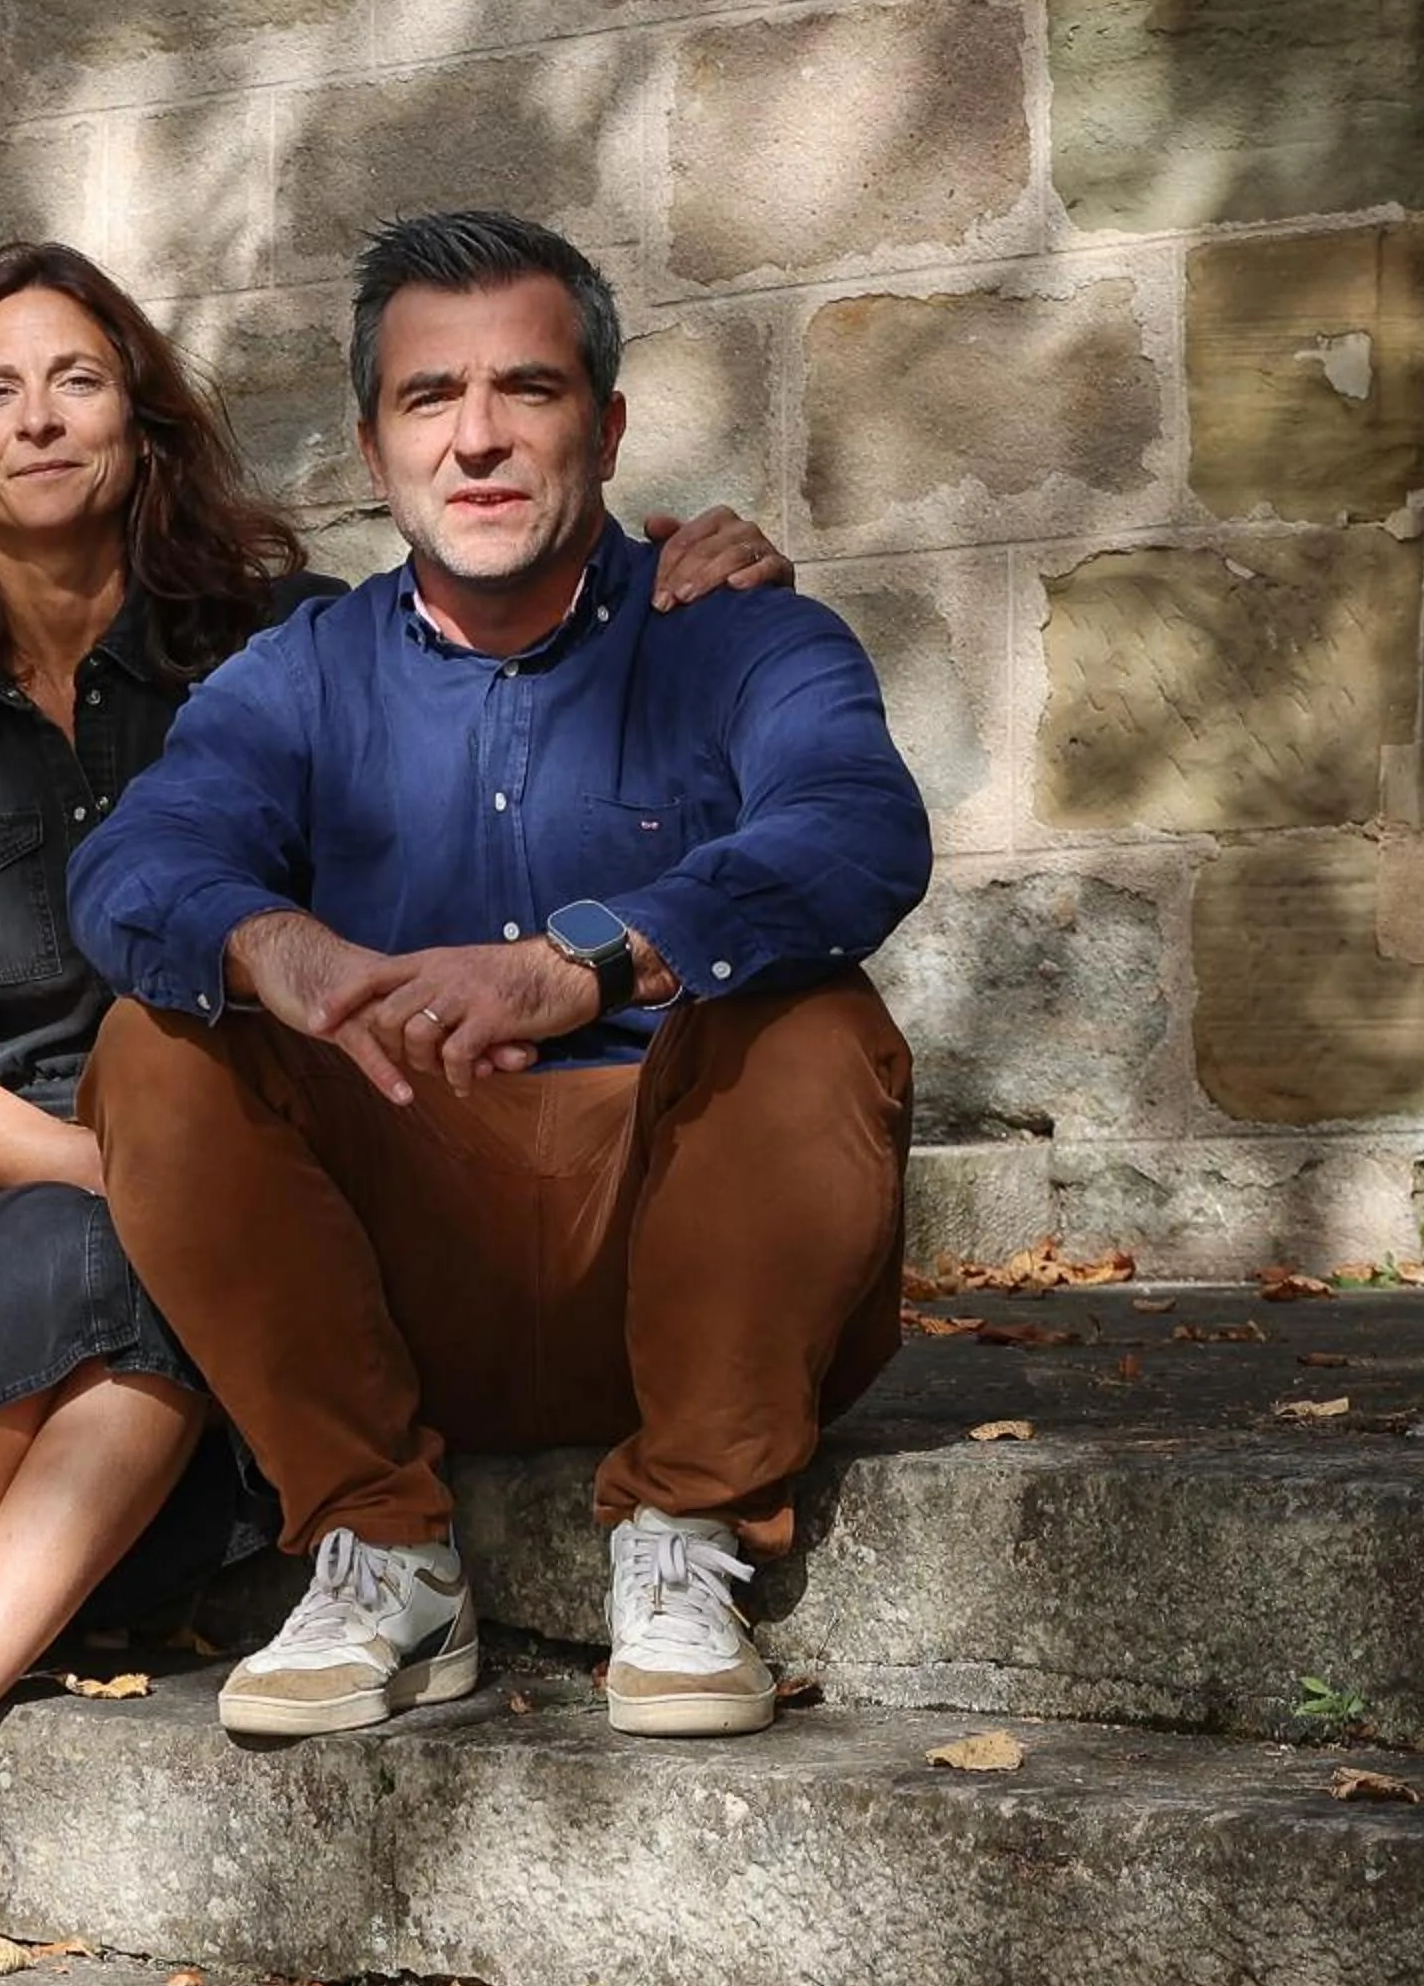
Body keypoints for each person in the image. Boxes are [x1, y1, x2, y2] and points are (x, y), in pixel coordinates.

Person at [0, 238, 794, 1979]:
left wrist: (683, 569)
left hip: (266, 1165)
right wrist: (119, 1165)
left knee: (162, 1225)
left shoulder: (284, 644)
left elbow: (499, 617)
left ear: (140, 421)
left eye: (77, 380)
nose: (38, 419)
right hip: (37, 1174)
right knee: (80, 1247)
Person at [69, 209, 931, 1748]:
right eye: (429, 398)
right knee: (158, 1043)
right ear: (373, 447)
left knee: (813, 1016)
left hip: (692, 1250)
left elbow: (855, 827)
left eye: (526, 390)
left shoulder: (743, 637)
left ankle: (691, 1530)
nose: (476, 438)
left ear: (606, 427)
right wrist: (284, 949)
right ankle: (383, 1553)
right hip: (412, 1269)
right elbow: (139, 862)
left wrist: (581, 965)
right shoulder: (300, 673)